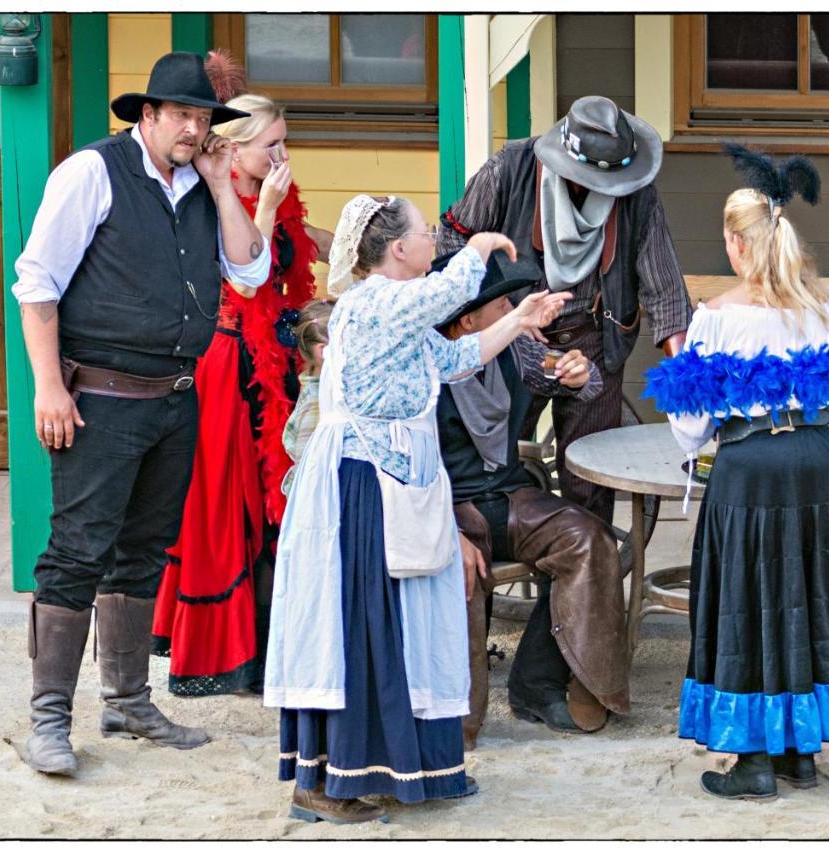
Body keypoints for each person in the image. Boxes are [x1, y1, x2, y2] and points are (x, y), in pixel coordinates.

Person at [264, 194, 570, 824]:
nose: (434, 238)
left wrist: (520, 319)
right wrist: (481, 247)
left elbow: (455, 358)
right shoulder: (378, 302)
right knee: (363, 623)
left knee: (401, 624)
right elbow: (444, 297)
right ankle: (331, 780)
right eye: (424, 232)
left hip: (395, 479)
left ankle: (405, 768)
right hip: (364, 485)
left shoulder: (398, 315)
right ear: (398, 249)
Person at [10, 52, 271, 776]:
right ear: (146, 115)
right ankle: (49, 719)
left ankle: (126, 696)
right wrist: (47, 387)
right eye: (181, 115)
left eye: (203, 119)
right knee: (76, 551)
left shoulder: (200, 181)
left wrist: (222, 185)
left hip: (175, 400)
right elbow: (37, 283)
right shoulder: (92, 173)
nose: (194, 129)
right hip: (96, 397)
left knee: (145, 549)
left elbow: (248, 270)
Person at [644, 149, 829, 801]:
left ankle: (753, 760)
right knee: (808, 594)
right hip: (821, 467)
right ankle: (798, 753)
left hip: (752, 471)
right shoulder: (828, 306)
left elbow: (692, 429)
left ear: (733, 241)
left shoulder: (717, 317)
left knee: (751, 601)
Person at [151, 58, 335, 697]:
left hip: (275, 361)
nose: (282, 154)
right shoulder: (214, 198)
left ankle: (271, 639)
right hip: (229, 365)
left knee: (276, 498)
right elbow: (245, 276)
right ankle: (225, 651)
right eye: (271, 144)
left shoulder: (276, 201)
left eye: (285, 142)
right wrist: (268, 209)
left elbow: (296, 259)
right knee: (230, 503)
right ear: (233, 148)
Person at [438, 95, 692, 527]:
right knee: (493, 468)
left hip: (595, 335)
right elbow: (452, 245)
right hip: (511, 340)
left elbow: (664, 288)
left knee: (590, 487)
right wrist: (504, 319)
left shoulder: (637, 194)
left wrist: (689, 382)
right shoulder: (509, 170)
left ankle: (581, 574)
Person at [432, 251, 629, 748]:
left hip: (514, 496)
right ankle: (456, 719)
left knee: (590, 539)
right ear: (466, 319)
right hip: (448, 506)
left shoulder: (515, 351)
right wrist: (444, 531)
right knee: (459, 572)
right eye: (501, 304)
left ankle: (539, 684)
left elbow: (580, 384)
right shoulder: (422, 367)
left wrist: (581, 375)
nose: (512, 310)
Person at [280, 299, 334, 497]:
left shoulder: (320, 391)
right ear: (322, 351)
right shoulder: (316, 404)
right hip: (315, 497)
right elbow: (308, 462)